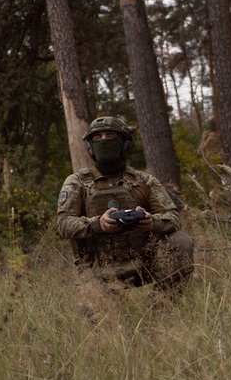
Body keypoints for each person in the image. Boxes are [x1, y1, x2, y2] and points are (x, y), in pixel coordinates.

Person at [56, 116, 194, 291]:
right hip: (97, 269)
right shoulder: (77, 182)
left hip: (145, 261)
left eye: (110, 136)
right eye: (97, 137)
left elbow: (173, 217)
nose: (104, 140)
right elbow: (63, 223)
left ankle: (161, 304)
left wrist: (152, 222)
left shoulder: (143, 181)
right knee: (98, 308)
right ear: (90, 147)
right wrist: (98, 224)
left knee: (181, 242)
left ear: (125, 144)